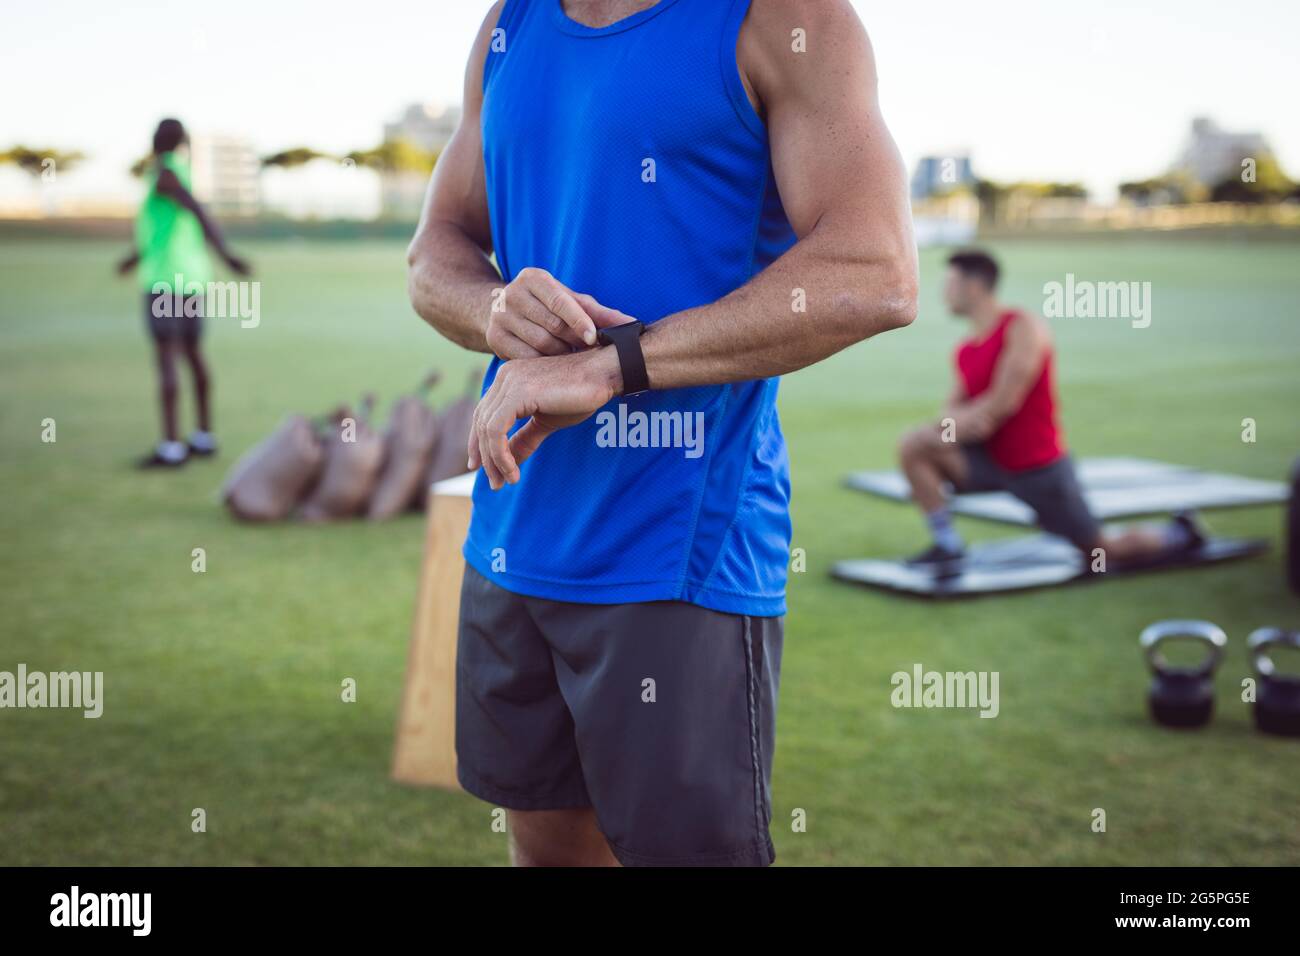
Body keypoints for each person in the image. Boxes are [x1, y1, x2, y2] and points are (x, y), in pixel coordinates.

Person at [407, 0, 917, 866]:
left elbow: (875, 269)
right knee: (547, 855)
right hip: (512, 531)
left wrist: (615, 364)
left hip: (677, 551)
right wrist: (497, 308)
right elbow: (434, 255)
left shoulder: (786, 18)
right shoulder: (512, 23)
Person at [898, 249, 1202, 573]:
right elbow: (950, 415)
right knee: (914, 446)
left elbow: (1002, 405)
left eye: (950, 283)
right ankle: (948, 545)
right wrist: (951, 430)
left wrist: (958, 423)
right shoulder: (965, 350)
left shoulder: (1022, 327)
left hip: (1038, 469)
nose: (944, 292)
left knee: (1100, 552)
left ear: (974, 286)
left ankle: (1178, 533)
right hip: (988, 463)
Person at [117, 118, 249, 468]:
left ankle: (171, 448)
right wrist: (133, 257)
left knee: (167, 358)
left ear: (155, 141)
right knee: (192, 354)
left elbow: (198, 212)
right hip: (190, 281)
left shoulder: (165, 174)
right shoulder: (180, 171)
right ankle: (204, 437)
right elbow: (165, 230)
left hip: (165, 283)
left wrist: (227, 253)